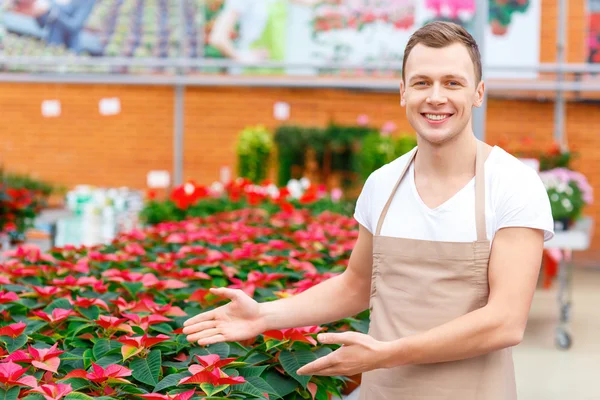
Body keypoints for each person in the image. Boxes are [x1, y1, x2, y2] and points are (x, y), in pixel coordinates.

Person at [183, 21, 554, 399]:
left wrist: (386, 354)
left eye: (452, 83)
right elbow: (357, 285)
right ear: (403, 92)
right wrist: (263, 316)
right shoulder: (383, 184)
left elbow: (505, 322)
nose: (436, 97)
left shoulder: (511, 184)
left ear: (478, 93)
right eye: (422, 82)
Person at [208, 0, 320, 74]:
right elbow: (218, 38)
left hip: (280, 74)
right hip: (251, 76)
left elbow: (310, 3)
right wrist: (241, 57)